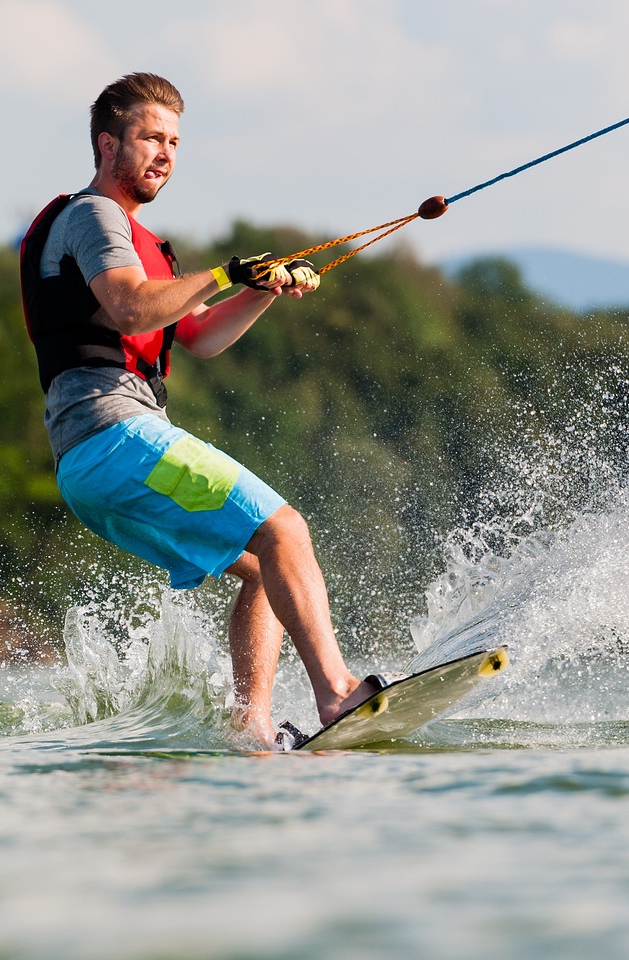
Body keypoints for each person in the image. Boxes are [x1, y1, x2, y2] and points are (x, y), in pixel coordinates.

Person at [19, 72, 376, 747]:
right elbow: (128, 306)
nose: (164, 153)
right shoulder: (94, 217)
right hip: (114, 435)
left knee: (270, 569)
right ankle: (335, 692)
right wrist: (222, 274)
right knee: (286, 531)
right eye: (149, 137)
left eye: (174, 142)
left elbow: (201, 336)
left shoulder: (133, 239)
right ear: (106, 144)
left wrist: (263, 290)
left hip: (89, 462)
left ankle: (252, 728)